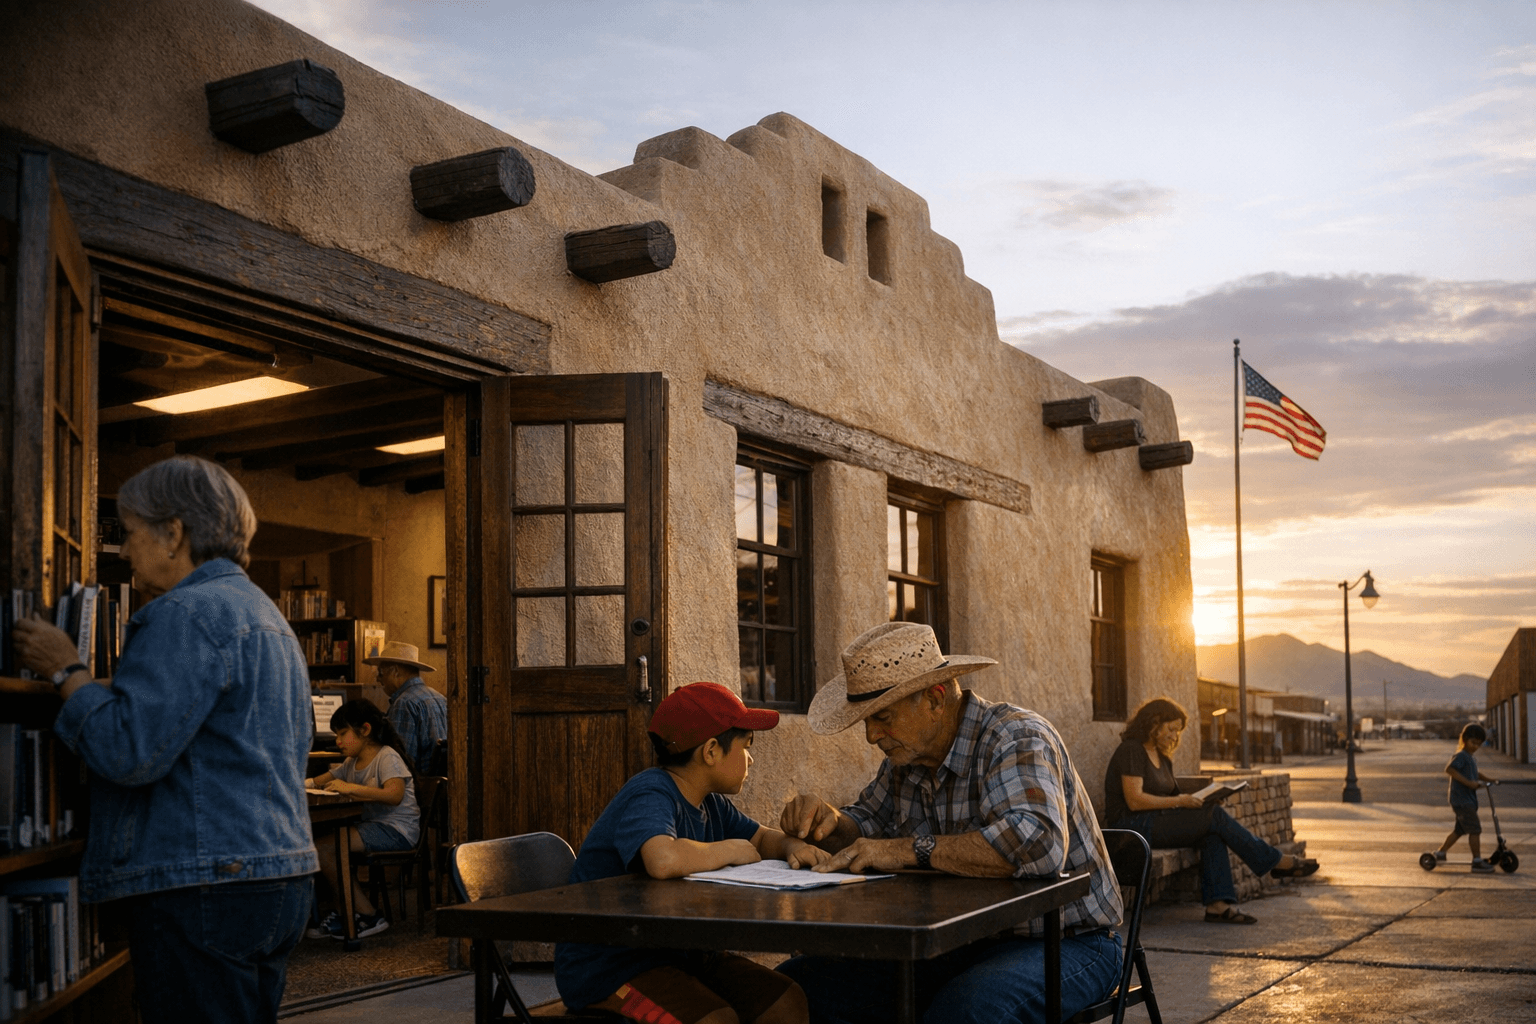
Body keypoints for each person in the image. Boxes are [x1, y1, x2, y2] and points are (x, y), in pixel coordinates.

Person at [11, 455, 315, 1024]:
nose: (123, 552)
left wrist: (66, 672)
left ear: (173, 533)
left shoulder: (182, 613)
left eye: (128, 533)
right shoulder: (266, 615)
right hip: (280, 873)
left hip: (205, 881)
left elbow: (128, 752)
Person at [775, 622, 1125, 1024]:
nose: (872, 735)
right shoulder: (906, 761)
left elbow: (1039, 844)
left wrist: (910, 849)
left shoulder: (1014, 737)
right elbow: (867, 826)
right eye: (867, 721)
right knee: (797, 987)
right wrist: (830, 822)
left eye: (882, 717)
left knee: (967, 1012)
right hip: (958, 943)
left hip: (1067, 941)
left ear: (935, 699)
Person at [554, 681, 827, 1024]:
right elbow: (662, 859)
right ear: (711, 751)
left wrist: (794, 845)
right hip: (610, 971)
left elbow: (760, 839)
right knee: (715, 1021)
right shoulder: (651, 792)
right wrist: (729, 849)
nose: (751, 757)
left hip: (681, 954)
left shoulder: (710, 803)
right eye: (747, 745)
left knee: (785, 1001)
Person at [1103, 698, 1317, 925]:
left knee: (1212, 831)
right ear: (1153, 723)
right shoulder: (1131, 750)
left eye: (1178, 731)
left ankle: (1218, 906)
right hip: (1131, 828)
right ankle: (1273, 862)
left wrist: (1205, 801)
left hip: (1155, 822)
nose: (1175, 736)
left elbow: (1170, 797)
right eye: (1171, 728)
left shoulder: (1162, 757)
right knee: (1213, 818)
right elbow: (1135, 801)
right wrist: (1182, 801)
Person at [304, 699, 421, 938]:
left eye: (343, 733)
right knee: (323, 844)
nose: (337, 741)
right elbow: (320, 781)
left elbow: (394, 794)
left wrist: (350, 788)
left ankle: (368, 915)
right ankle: (346, 910)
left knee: (326, 847)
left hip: (397, 831)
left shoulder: (386, 756)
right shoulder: (351, 762)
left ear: (365, 730)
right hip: (374, 828)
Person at [364, 640, 447, 776]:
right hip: (440, 789)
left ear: (395, 671)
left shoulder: (404, 704)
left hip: (417, 789)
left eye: (381, 672)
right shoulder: (441, 698)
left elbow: (398, 763)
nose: (378, 679)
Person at [1428, 723, 1498, 872]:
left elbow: (1476, 774)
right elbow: (1450, 769)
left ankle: (1440, 852)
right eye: (1473, 743)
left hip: (1467, 800)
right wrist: (1469, 783)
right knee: (1475, 829)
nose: (1475, 747)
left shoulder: (1471, 758)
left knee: (1459, 830)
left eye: (1478, 744)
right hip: (1462, 801)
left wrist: (1489, 780)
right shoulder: (1461, 756)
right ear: (1465, 740)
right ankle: (1477, 861)